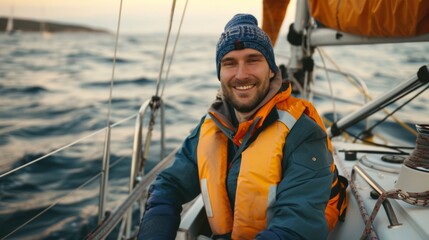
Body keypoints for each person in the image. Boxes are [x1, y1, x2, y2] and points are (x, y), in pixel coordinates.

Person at [138, 13, 348, 240]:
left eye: (253, 60)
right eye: (229, 63)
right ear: (220, 73)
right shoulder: (214, 124)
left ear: (271, 69)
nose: (241, 74)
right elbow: (168, 186)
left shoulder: (304, 134)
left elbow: (295, 228)